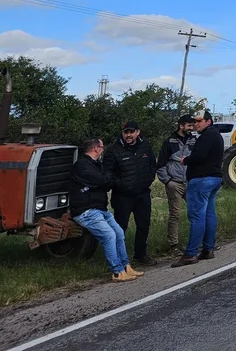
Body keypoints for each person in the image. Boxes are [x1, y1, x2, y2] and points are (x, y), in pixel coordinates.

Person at [69, 138, 143, 282]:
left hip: (100, 208)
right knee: (109, 235)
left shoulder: (97, 165)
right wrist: (104, 181)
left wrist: (104, 180)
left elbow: (109, 180)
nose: (103, 150)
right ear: (96, 148)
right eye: (102, 147)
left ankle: (126, 266)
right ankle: (117, 272)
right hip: (86, 210)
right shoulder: (81, 165)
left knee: (119, 233)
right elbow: (101, 180)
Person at [172, 109, 224, 267]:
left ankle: (191, 253)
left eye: (199, 121)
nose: (195, 124)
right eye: (194, 121)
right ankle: (208, 249)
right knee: (209, 213)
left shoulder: (207, 136)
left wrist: (186, 160)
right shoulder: (215, 135)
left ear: (208, 121)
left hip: (202, 179)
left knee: (196, 216)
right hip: (214, 178)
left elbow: (199, 156)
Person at [103, 120, 157, 266]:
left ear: (137, 132)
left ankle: (141, 255)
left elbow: (153, 165)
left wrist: (148, 180)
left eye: (131, 132)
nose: (128, 135)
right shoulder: (113, 150)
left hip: (143, 194)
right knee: (120, 228)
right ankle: (118, 259)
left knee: (144, 225)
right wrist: (121, 185)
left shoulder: (145, 146)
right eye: (126, 132)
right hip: (123, 196)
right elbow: (108, 173)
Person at [156, 114, 196, 253]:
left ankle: (198, 241)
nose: (192, 128)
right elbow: (160, 164)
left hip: (190, 182)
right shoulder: (169, 142)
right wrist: (167, 181)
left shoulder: (193, 140)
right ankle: (173, 245)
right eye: (189, 125)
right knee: (175, 214)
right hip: (175, 183)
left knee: (196, 212)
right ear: (181, 125)